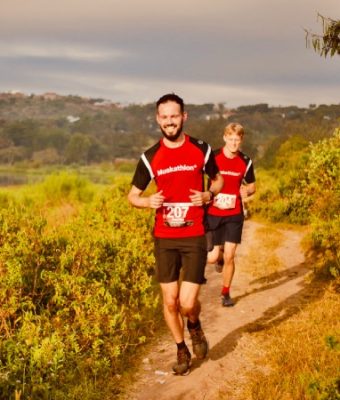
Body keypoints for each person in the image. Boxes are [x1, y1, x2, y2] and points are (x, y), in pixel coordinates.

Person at [127, 93, 223, 375]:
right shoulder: (149, 157)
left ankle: (194, 325)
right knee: (170, 301)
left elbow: (218, 180)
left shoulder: (201, 149)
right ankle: (181, 348)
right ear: (158, 119)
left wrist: (208, 194)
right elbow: (132, 196)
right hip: (164, 238)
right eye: (164, 117)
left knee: (187, 302)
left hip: (194, 234)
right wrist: (148, 201)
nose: (169, 122)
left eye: (174, 116)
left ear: (184, 117)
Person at [206, 122, 256, 307]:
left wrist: (247, 191)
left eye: (237, 140)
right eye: (231, 139)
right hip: (213, 212)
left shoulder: (245, 161)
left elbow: (252, 185)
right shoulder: (213, 157)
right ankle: (217, 257)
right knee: (212, 258)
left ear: (241, 140)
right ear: (224, 137)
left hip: (234, 214)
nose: (234, 143)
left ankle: (225, 293)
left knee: (230, 256)